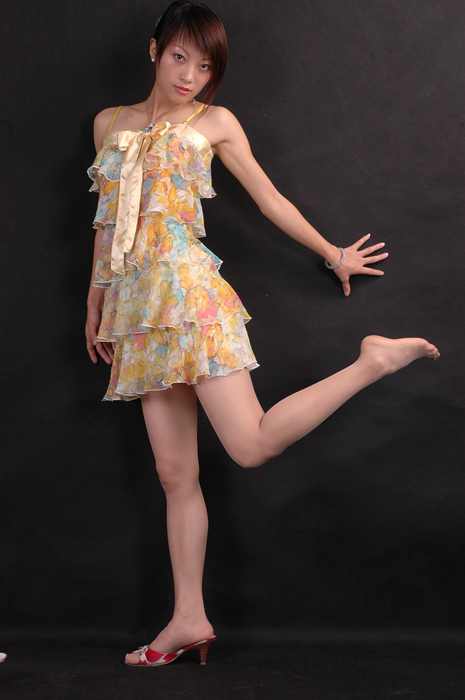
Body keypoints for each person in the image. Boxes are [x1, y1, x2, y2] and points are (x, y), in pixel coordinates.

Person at [84, 0, 440, 668]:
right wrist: (95, 303)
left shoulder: (213, 123)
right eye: (179, 57)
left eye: (204, 66)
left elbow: (268, 197)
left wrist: (332, 253)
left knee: (248, 445)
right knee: (173, 473)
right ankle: (188, 617)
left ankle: (370, 362)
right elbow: (108, 221)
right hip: (137, 311)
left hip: (190, 296)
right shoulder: (110, 123)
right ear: (155, 49)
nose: (189, 75)